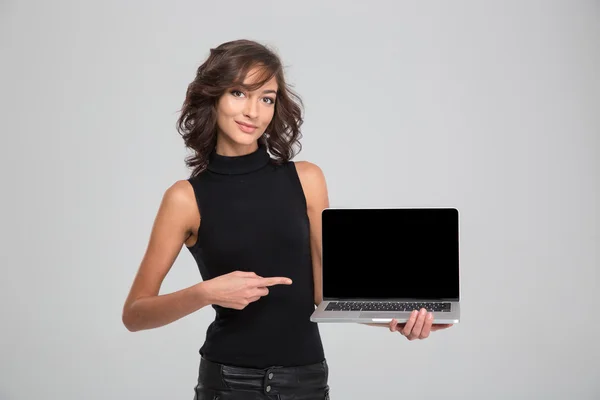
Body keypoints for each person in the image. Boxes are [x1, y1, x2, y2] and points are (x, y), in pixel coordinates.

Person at [121, 39, 453, 400]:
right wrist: (205, 293)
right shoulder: (184, 198)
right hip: (228, 384)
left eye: (266, 97)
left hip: (306, 381)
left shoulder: (307, 179)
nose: (254, 111)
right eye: (239, 93)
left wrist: (400, 316)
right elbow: (135, 314)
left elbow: (325, 292)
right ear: (212, 96)